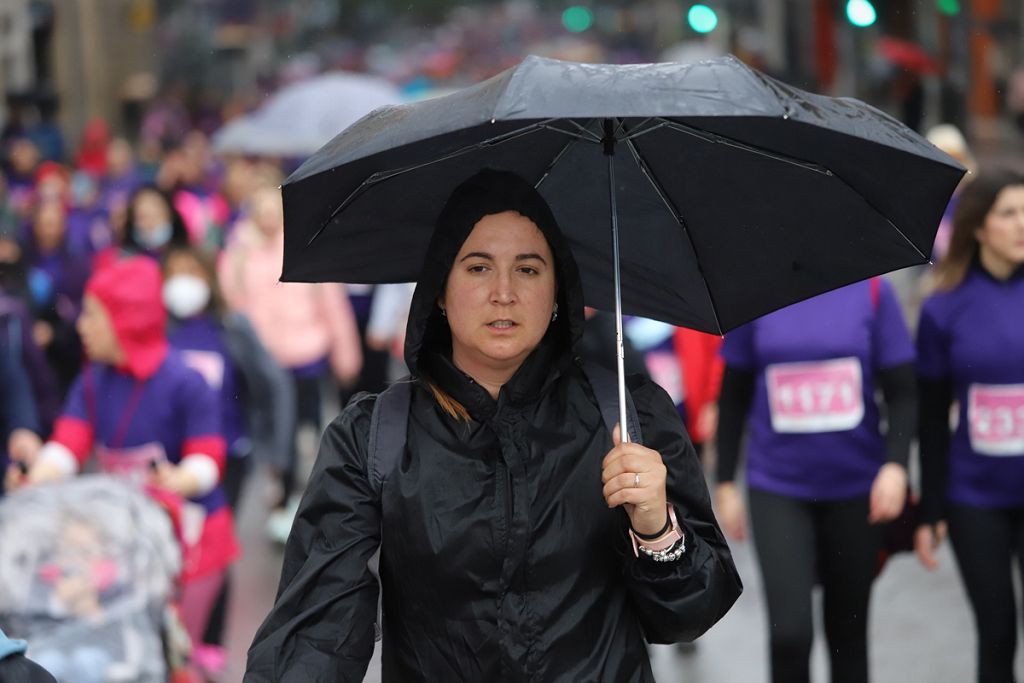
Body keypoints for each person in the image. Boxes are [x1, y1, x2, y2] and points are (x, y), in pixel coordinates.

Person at [244, 169, 742, 681]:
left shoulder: (627, 416)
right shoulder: (373, 438)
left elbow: (690, 614)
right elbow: (316, 635)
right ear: (440, 289)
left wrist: (657, 531)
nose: (503, 293)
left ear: (557, 294)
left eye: (528, 269)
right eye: (478, 267)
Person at [7, 256, 240, 650]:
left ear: (125, 319)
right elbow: (68, 444)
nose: (81, 326)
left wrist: (180, 478)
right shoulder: (92, 380)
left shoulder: (186, 381)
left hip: (194, 541)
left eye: (92, 316)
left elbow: (208, 459)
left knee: (176, 650)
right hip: (130, 539)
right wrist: (36, 479)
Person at [714, 278, 916, 683]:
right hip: (778, 486)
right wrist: (724, 483)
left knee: (848, 635)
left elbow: (903, 391)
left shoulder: (874, 291)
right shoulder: (753, 296)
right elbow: (733, 395)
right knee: (789, 633)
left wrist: (896, 466)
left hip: (857, 487)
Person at [162, 244, 294, 674]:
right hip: (168, 462)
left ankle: (211, 638)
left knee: (214, 540)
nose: (182, 282)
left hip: (228, 456)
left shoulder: (232, 328)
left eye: (190, 271)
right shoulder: (159, 330)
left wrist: (279, 452)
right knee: (171, 544)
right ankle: (173, 629)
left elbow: (272, 385)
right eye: (174, 272)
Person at [914, 168, 1024, 683]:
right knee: (997, 629)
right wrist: (930, 507)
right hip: (975, 496)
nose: (1023, 224)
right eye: (1009, 213)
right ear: (979, 226)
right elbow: (931, 416)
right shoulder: (943, 309)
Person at [219, 184, 361, 542]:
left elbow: (333, 305)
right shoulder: (238, 253)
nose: (268, 217)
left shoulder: (306, 246)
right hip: (265, 364)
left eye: (274, 209)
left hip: (306, 357)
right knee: (272, 432)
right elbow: (234, 304)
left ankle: (304, 496)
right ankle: (279, 499)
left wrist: (345, 352)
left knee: (306, 431)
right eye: (261, 209)